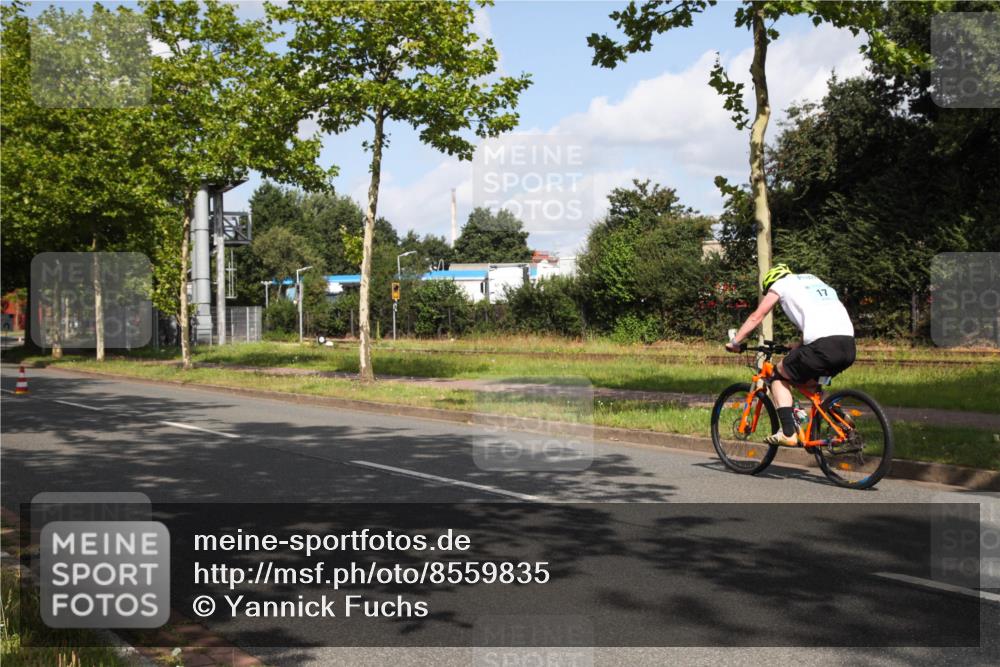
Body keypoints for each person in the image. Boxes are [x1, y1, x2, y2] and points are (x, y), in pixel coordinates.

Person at [725, 264, 856, 446]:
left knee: (776, 375)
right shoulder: (813, 281)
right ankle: (841, 418)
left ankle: (788, 432)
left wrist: (735, 342)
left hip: (822, 347)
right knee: (811, 385)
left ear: (771, 282)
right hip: (848, 346)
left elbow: (757, 316)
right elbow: (820, 319)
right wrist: (798, 346)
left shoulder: (780, 285)